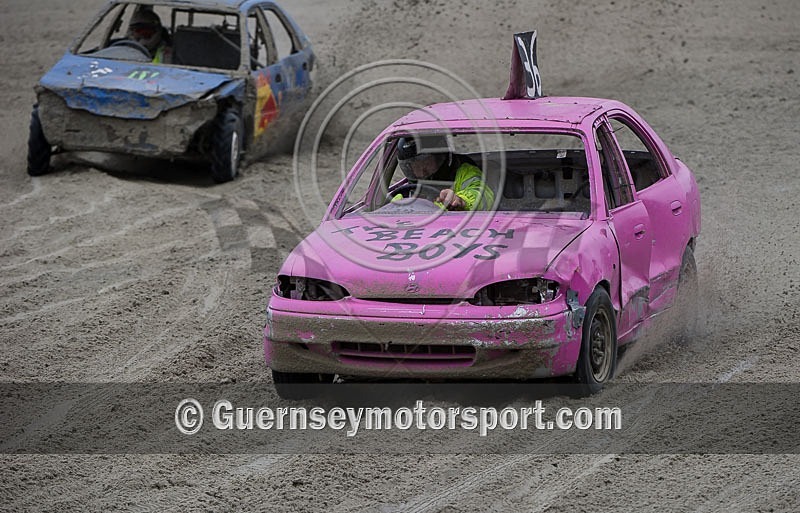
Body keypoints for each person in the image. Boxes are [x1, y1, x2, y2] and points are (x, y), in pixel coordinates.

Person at [396, 136, 494, 210]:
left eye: (426, 162)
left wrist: (461, 201)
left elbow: (483, 194)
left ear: (440, 157)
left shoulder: (465, 172)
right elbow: (386, 210)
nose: (422, 171)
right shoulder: (404, 193)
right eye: (415, 166)